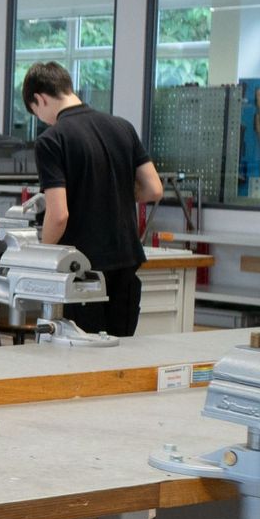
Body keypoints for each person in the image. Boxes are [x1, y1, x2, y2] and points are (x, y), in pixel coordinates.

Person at [22, 61, 164, 338]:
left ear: (40, 99)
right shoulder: (123, 127)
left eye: (36, 112)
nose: (43, 120)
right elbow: (154, 189)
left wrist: (42, 259)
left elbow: (58, 215)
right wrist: (114, 192)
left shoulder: (52, 140)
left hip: (81, 273)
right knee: (120, 355)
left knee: (79, 357)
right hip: (125, 263)